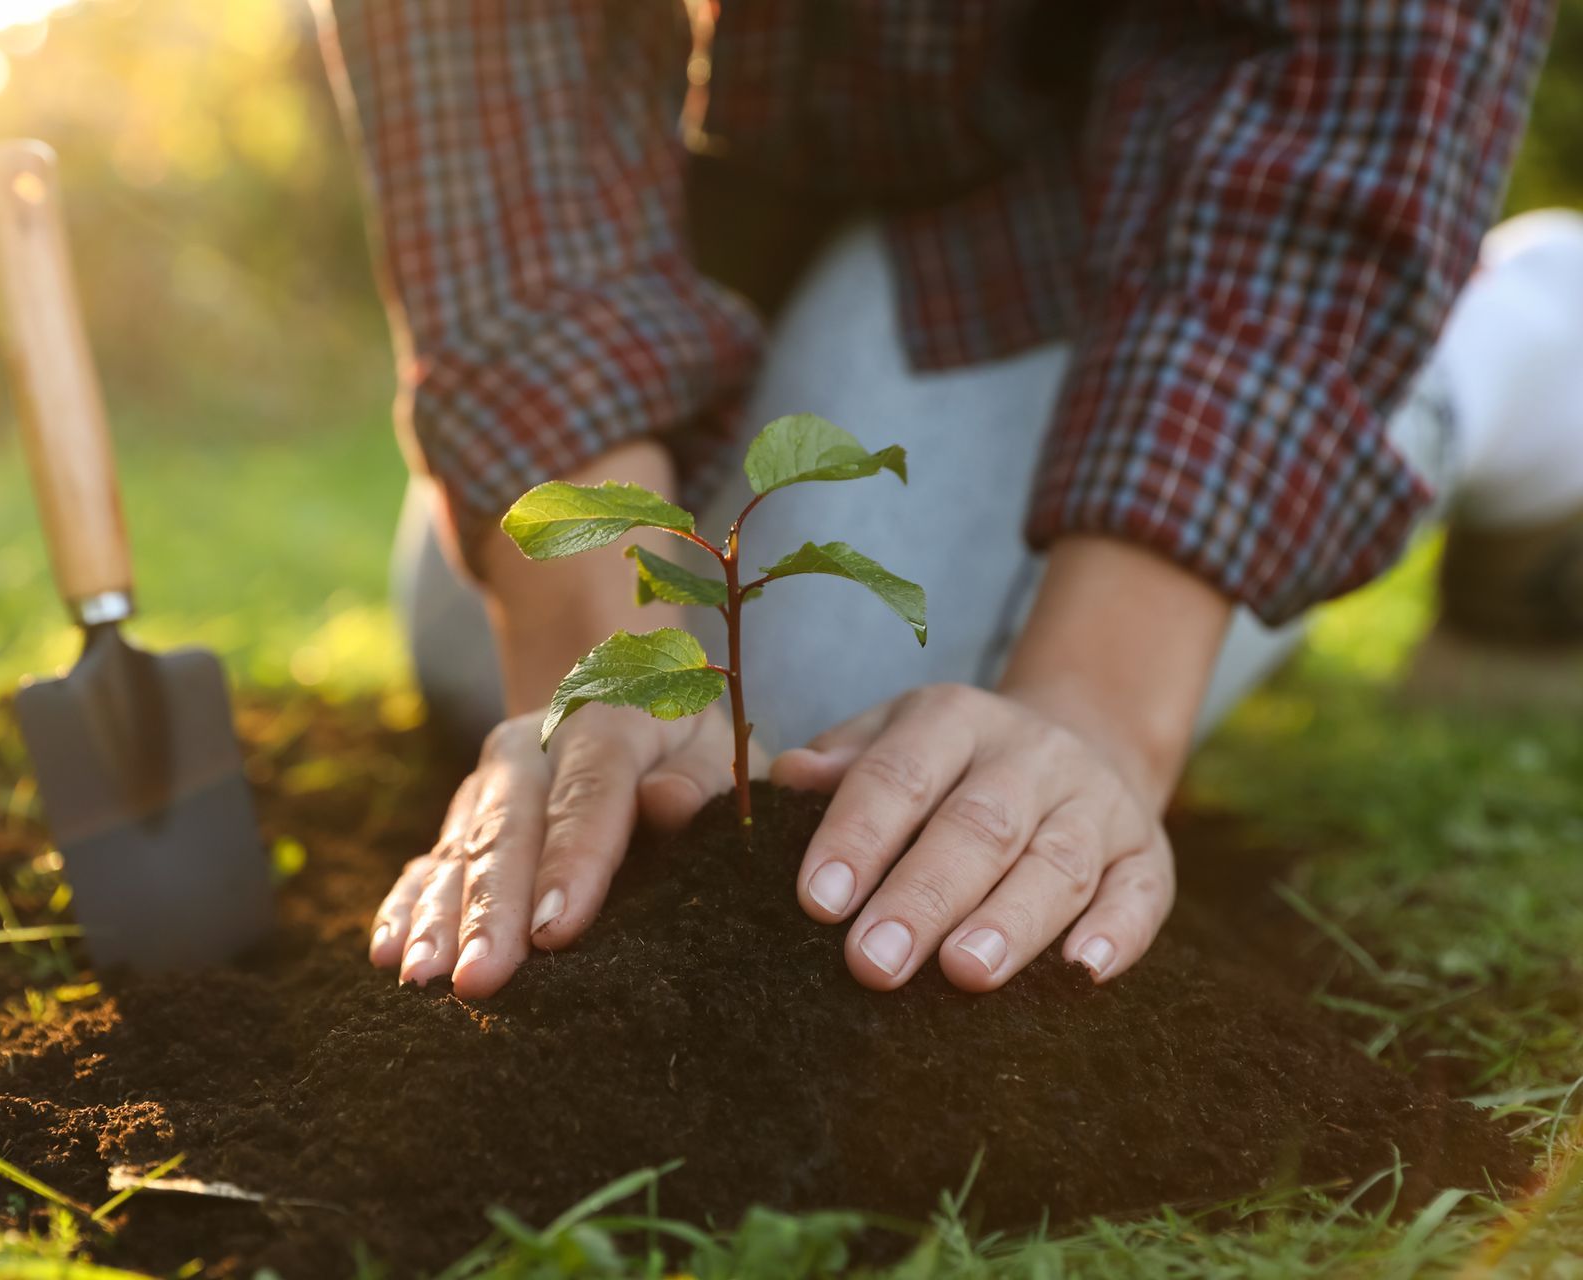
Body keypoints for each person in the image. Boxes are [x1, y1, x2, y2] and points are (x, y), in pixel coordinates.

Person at [311, 1, 1579, 1000]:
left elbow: (1347, 84)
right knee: (502, 668)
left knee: (827, 711)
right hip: (753, 177)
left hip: (1131, 191)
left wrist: (1098, 709)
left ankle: (1509, 344)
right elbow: (487, 78)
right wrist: (606, 659)